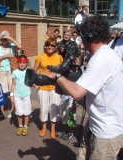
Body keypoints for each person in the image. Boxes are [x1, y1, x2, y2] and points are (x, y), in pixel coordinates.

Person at [44, 15, 123, 160]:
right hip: (96, 124)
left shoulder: (100, 59)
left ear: (87, 37)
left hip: (105, 132)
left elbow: (77, 93)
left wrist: (57, 77)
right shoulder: (109, 54)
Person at [33, 37, 63, 139]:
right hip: (43, 87)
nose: (50, 47)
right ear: (46, 45)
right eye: (48, 45)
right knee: (43, 108)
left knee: (54, 109)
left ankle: (53, 130)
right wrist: (35, 82)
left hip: (55, 87)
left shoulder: (59, 57)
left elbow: (62, 72)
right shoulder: (40, 56)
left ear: (56, 47)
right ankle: (44, 128)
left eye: (52, 45)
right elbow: (34, 70)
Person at [0, 30, 22, 118]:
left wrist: (11, 38)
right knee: (2, 92)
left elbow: (20, 47)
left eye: (6, 39)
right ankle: (2, 110)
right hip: (2, 72)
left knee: (12, 91)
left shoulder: (12, 46)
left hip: (12, 71)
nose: (4, 41)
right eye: (3, 39)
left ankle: (12, 110)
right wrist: (5, 56)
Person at [11, 55, 31, 136]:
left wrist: (35, 85)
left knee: (26, 112)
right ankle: (20, 126)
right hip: (17, 95)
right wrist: (11, 95)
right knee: (19, 112)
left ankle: (25, 126)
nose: (22, 64)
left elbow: (32, 82)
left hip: (26, 95)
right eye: (20, 62)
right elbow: (13, 84)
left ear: (26, 63)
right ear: (17, 63)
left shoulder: (29, 71)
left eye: (24, 63)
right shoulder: (15, 72)